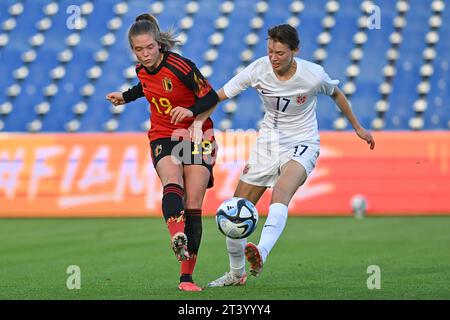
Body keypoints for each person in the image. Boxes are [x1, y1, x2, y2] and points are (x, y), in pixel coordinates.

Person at [190, 24, 375, 287]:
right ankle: (236, 274)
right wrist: (198, 121)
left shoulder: (312, 76)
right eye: (270, 51)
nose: (273, 58)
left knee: (281, 192)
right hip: (268, 143)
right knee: (235, 210)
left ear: (295, 51)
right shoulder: (258, 69)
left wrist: (358, 127)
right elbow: (219, 95)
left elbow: (336, 94)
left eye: (280, 53)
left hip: (302, 141)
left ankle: (261, 252)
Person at [106, 13, 219, 292]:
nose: (144, 54)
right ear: (133, 49)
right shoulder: (141, 69)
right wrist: (125, 96)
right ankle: (176, 234)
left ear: (159, 44)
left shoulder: (181, 66)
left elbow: (211, 96)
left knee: (193, 203)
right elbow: (146, 86)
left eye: (149, 48)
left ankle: (186, 279)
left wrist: (192, 113)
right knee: (172, 182)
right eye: (138, 49)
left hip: (197, 134)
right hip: (162, 134)